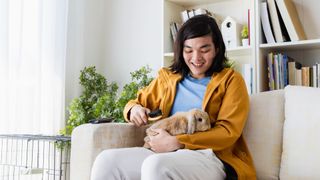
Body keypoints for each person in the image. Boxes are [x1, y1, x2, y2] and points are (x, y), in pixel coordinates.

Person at [91, 14, 256, 180]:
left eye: (204, 50)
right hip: (162, 152)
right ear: (181, 50)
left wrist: (179, 142)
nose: (196, 58)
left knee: (156, 165)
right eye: (189, 50)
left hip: (210, 156)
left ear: (217, 49)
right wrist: (134, 109)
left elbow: (227, 132)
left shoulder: (231, 80)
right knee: (106, 161)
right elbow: (135, 103)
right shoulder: (168, 78)